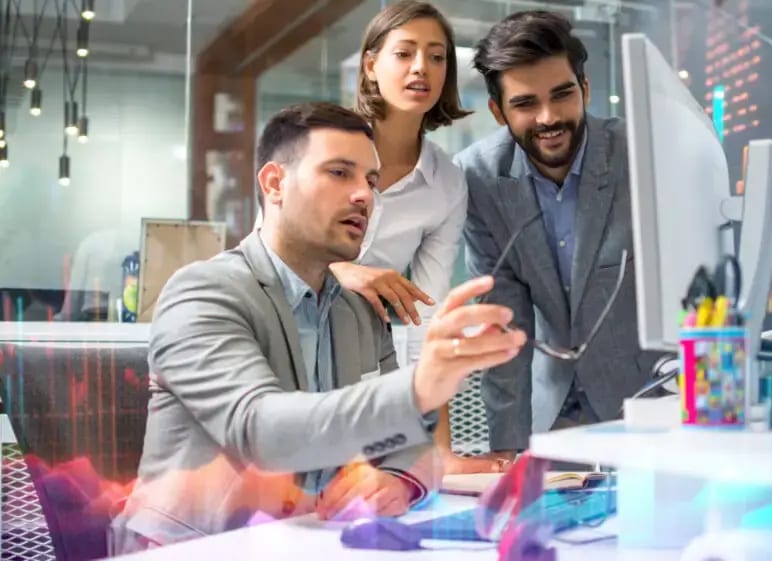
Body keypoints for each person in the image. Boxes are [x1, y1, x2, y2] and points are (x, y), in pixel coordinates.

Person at [109, 102, 526, 553]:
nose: (365, 195)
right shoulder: (203, 292)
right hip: (196, 548)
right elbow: (261, 431)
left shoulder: (360, 310)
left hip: (313, 543)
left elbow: (416, 446)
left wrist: (399, 479)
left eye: (370, 180)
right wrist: (418, 388)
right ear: (274, 184)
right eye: (339, 173)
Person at [455, 11, 662, 462]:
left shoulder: (643, 154)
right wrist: (508, 450)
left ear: (584, 90)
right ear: (498, 111)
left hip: (650, 404)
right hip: (552, 413)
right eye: (526, 103)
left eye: (563, 95)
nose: (549, 117)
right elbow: (503, 321)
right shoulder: (480, 179)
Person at [331, 0, 500, 474]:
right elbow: (264, 255)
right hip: (282, 357)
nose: (421, 68)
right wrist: (344, 270)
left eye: (437, 56)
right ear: (371, 64)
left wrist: (440, 451)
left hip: (363, 378)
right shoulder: (324, 143)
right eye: (404, 53)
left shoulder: (447, 182)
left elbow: (429, 319)